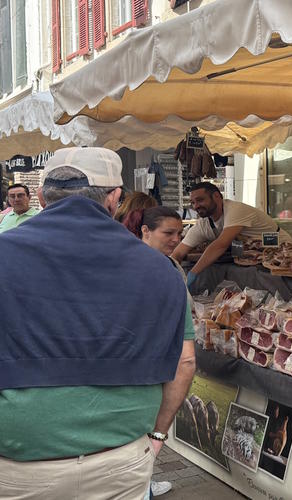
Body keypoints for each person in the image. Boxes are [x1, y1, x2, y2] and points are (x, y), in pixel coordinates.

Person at [0, 147, 196, 499]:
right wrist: (157, 436)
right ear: (115, 198)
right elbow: (185, 361)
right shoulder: (160, 270)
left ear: (42, 197)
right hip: (120, 458)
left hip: (18, 462)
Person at [125, 205, 189, 498]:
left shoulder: (166, 264)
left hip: (142, 366)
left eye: (180, 233)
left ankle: (145, 482)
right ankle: (144, 486)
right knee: (142, 443)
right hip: (147, 368)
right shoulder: (158, 269)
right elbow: (187, 360)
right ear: (146, 231)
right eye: (169, 233)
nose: (176, 239)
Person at [171, 182, 292, 287]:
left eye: (200, 200)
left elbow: (221, 245)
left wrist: (193, 274)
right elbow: (178, 252)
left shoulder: (235, 210)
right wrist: (170, 275)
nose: (196, 206)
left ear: (217, 196)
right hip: (250, 260)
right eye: (192, 202)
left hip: (282, 253)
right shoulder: (203, 225)